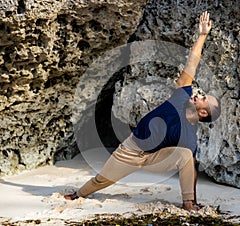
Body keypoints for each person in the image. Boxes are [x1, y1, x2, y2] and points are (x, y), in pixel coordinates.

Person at [64, 11, 221, 211]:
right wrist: (202, 36)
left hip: (154, 159)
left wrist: (193, 197)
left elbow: (192, 170)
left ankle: (188, 203)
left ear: (203, 113)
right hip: (130, 151)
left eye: (203, 99)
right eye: (202, 94)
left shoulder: (189, 137)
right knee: (101, 179)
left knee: (187, 157)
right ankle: (77, 194)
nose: (199, 95)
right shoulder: (182, 95)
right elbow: (192, 63)